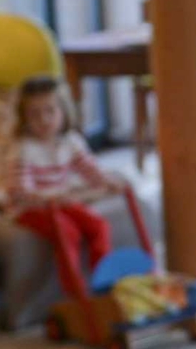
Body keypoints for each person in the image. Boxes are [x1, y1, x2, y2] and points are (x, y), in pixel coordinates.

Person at [9, 75, 127, 327]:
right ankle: (76, 297)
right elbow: (21, 191)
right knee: (68, 232)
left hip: (62, 202)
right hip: (31, 208)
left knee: (98, 226)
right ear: (24, 118)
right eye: (34, 114)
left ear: (63, 111)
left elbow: (91, 171)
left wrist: (108, 182)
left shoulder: (70, 142)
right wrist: (53, 198)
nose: (43, 120)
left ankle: (103, 286)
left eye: (50, 111)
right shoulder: (23, 149)